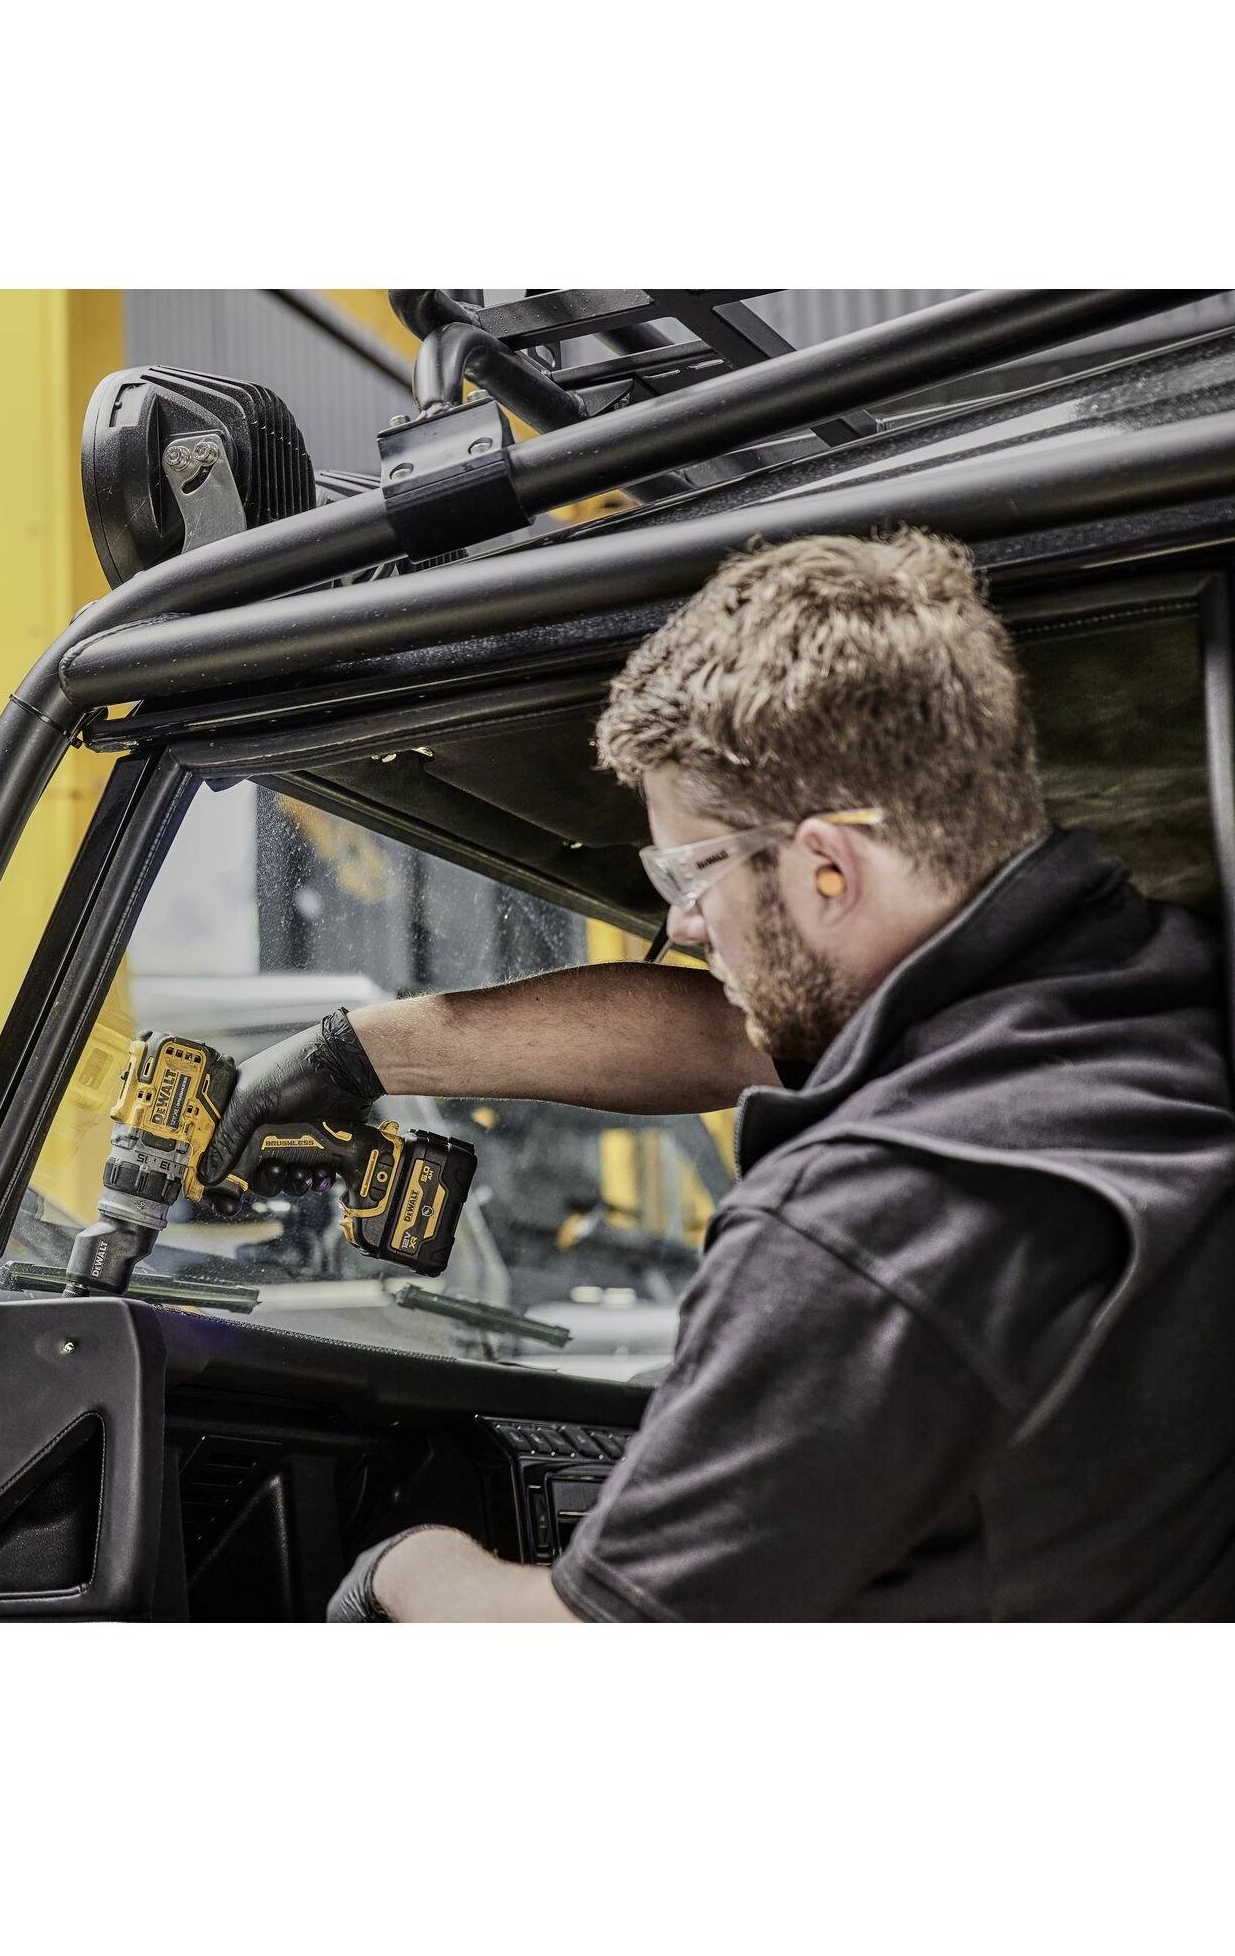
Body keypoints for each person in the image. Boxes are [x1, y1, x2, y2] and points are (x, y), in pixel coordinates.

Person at [199, 530, 1235, 1622]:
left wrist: (399, 1564)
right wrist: (356, 1052)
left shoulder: (874, 1216)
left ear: (829, 865)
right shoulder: (1149, 989)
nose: (681, 924)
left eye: (688, 871)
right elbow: (727, 1038)